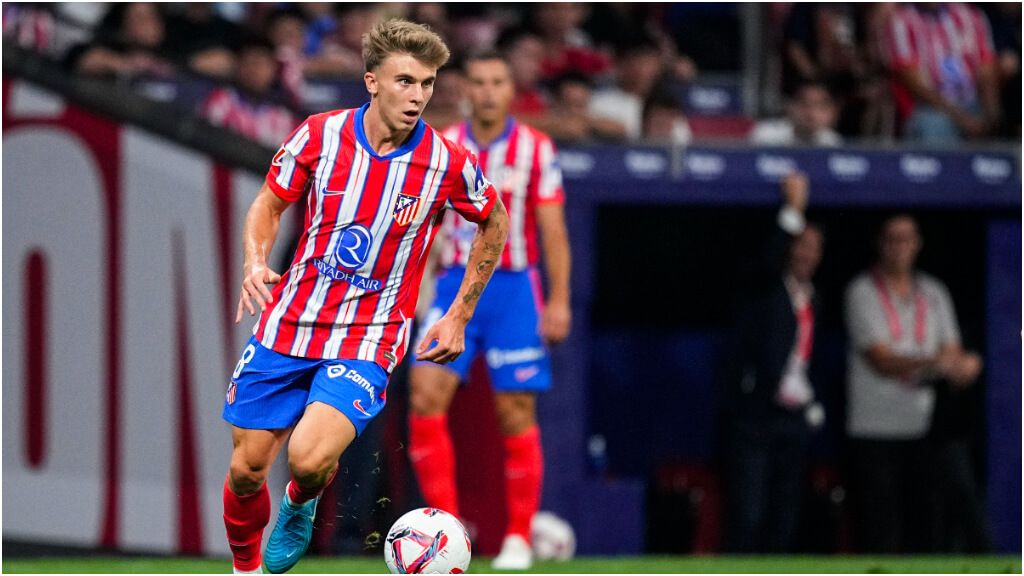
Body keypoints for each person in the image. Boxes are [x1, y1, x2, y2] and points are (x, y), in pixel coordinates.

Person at [220, 19, 510, 575]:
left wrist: (457, 315)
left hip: (369, 336)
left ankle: (301, 503)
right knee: (247, 470)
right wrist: (256, 261)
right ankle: (244, 569)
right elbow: (268, 204)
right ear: (372, 80)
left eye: (427, 84)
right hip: (289, 324)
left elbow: (493, 222)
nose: (418, 95)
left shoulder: (446, 162)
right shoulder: (319, 135)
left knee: (307, 459)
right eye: (406, 81)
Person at [406, 50, 572, 571]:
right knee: (425, 396)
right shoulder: (443, 146)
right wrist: (417, 285)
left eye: (497, 81)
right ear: (465, 90)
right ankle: (449, 536)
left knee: (515, 410)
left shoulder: (536, 148)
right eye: (477, 81)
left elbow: (553, 231)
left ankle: (519, 536)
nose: (487, 91)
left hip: (514, 289)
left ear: (510, 90)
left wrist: (561, 300)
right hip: (454, 284)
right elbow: (428, 224)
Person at [844, 215, 982, 553]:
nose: (899, 247)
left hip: (923, 426)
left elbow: (952, 349)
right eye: (892, 239)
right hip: (875, 426)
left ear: (918, 243)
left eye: (906, 239)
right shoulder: (862, 291)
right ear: (880, 244)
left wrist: (960, 364)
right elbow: (881, 359)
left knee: (925, 524)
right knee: (880, 527)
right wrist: (937, 362)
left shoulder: (933, 291)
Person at [723, 171, 825, 553]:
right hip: (755, 416)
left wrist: (810, 400)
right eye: (800, 245)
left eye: (814, 248)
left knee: (785, 513)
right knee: (749, 512)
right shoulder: (765, 288)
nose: (806, 253)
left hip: (793, 418)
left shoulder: (813, 298)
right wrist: (793, 210)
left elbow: (801, 358)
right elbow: (769, 259)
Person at [881, 3, 1000, 143]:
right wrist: (961, 118)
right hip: (930, 108)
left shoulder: (970, 16)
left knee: (995, 121)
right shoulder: (901, 22)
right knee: (933, 125)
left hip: (972, 101)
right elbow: (916, 84)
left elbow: (986, 67)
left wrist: (991, 113)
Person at [200, 37, 297, 148]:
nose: (253, 70)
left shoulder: (282, 116)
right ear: (238, 66)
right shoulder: (220, 99)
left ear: (273, 70)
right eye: (248, 63)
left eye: (259, 64)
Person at [750, 80, 842, 147]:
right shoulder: (765, 135)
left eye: (819, 106)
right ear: (790, 107)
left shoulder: (832, 143)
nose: (810, 113)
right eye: (804, 104)